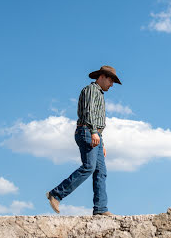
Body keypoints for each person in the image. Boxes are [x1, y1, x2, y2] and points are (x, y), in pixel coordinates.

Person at [46, 65, 122, 216]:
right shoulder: (91, 90)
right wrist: (94, 132)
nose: (112, 84)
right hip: (87, 131)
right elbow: (88, 113)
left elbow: (96, 118)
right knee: (89, 167)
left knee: (101, 171)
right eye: (111, 80)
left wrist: (101, 141)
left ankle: (100, 209)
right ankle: (56, 194)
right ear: (102, 77)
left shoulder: (99, 93)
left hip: (95, 134)